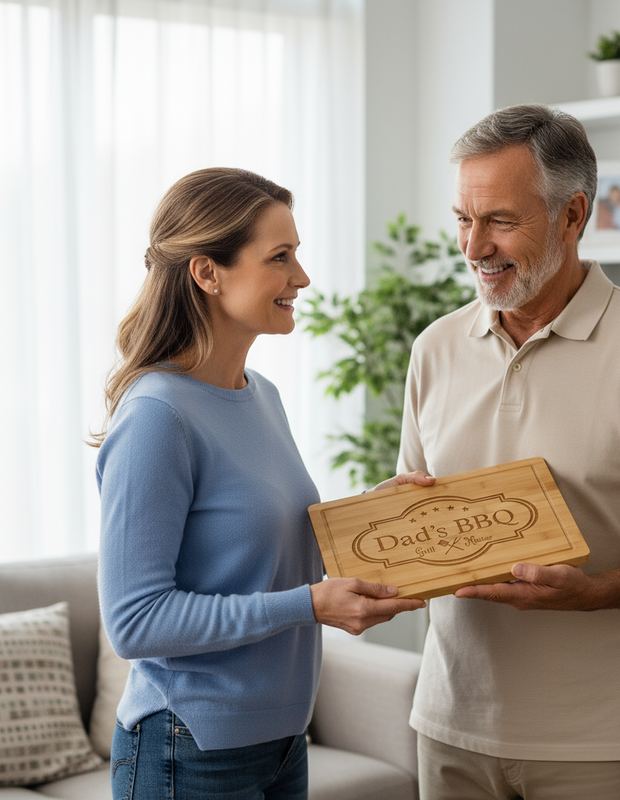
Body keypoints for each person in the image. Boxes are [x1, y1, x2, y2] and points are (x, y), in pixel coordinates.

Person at [397, 106, 620, 800]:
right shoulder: (434, 348)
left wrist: (598, 594)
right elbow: (420, 508)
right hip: (451, 730)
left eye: (500, 220)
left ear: (572, 215)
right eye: (463, 219)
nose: (474, 246)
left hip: (603, 743)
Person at [92, 167, 433, 800]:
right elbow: (136, 622)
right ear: (208, 272)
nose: (302, 277)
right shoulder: (157, 416)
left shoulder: (262, 396)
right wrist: (309, 605)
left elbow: (260, 550)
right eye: (280, 257)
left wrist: (370, 517)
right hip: (188, 746)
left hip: (281, 742)